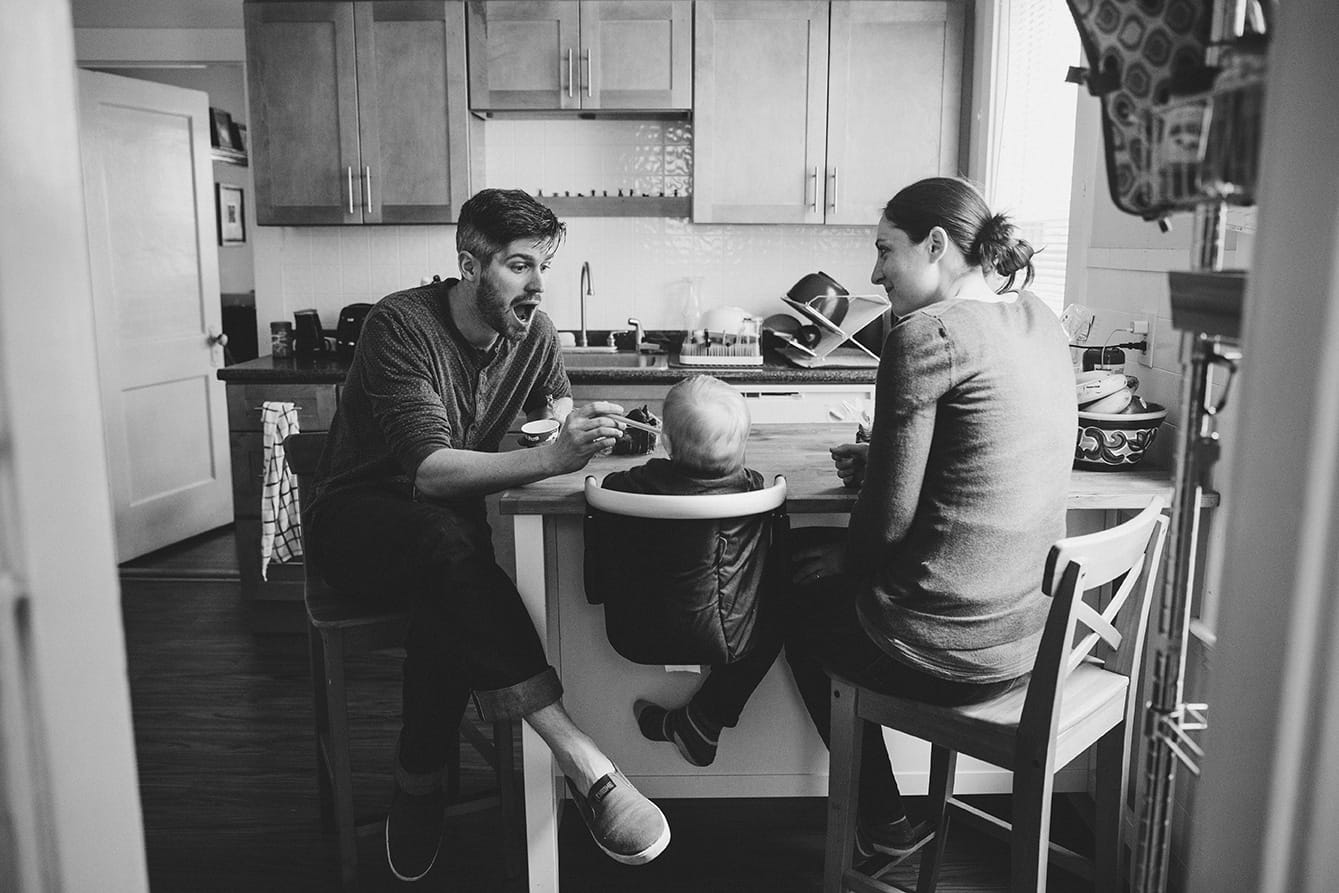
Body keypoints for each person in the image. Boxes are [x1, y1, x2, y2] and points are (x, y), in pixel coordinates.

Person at [628, 177, 1078, 861]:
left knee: (783, 575)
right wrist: (883, 464)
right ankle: (718, 727)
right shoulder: (1038, 317)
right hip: (1026, 636)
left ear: (934, 244)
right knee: (794, 562)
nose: (873, 273)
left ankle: (867, 813)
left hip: (945, 650)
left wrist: (847, 553)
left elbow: (886, 524)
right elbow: (986, 452)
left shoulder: (926, 332)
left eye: (883, 250)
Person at [305, 188, 670, 882]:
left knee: (448, 591)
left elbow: (550, 403)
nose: (536, 285)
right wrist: (551, 458)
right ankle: (580, 754)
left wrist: (591, 424)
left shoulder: (532, 330)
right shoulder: (400, 325)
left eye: (543, 267)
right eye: (519, 265)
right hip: (356, 519)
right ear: (469, 264)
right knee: (449, 551)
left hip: (445, 532)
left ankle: (417, 786)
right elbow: (431, 472)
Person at [596, 376, 781, 768]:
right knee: (786, 585)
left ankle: (694, 726)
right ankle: (701, 721)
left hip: (634, 631)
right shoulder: (752, 488)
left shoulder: (637, 486)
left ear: (665, 442)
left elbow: (608, 484)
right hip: (735, 637)